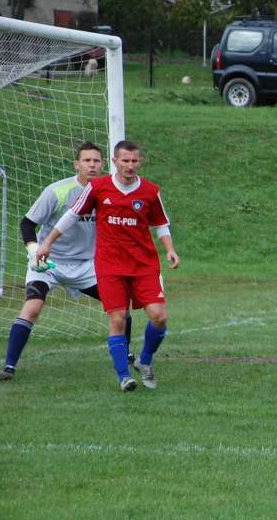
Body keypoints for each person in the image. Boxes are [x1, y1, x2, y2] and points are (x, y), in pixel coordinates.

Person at [38, 140, 179, 392]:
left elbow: (160, 224)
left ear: (140, 162)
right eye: (125, 160)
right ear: (114, 162)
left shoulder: (149, 190)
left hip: (144, 265)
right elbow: (72, 215)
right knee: (118, 318)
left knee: (159, 317)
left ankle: (145, 360)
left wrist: (169, 249)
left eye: (134, 161)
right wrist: (47, 242)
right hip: (110, 266)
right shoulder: (98, 187)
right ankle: (124, 377)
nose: (130, 165)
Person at [0, 142, 133, 381]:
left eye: (96, 161)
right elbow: (27, 224)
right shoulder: (57, 191)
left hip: (87, 266)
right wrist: (34, 251)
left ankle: (126, 356)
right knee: (33, 307)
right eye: (87, 160)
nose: (92, 165)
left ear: (104, 164)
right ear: (76, 164)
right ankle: (9, 366)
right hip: (50, 263)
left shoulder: (108, 192)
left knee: (120, 306)